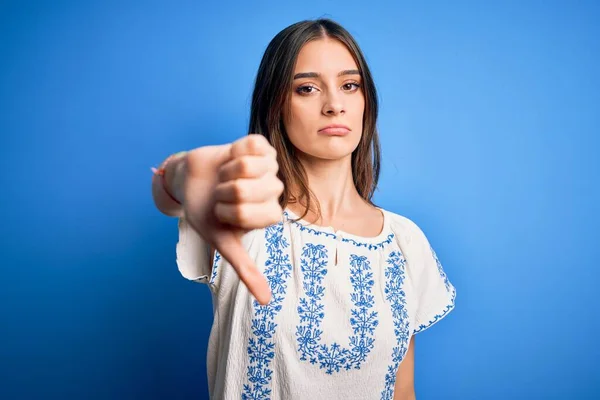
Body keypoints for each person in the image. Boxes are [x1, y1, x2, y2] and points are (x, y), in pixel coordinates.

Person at [151, 18, 456, 400]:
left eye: (350, 85)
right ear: (276, 103)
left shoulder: (405, 241)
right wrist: (179, 174)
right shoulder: (239, 215)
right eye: (307, 88)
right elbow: (171, 190)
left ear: (366, 101)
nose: (334, 105)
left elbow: (402, 390)